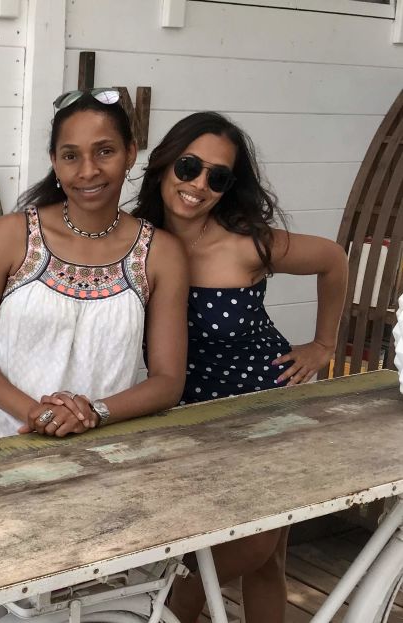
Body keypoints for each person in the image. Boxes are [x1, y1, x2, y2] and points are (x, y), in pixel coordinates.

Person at [133, 111, 348, 622]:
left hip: (265, 408)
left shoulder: (247, 242)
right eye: (188, 166)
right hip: (182, 416)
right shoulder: (134, 241)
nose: (198, 184)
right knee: (237, 551)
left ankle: (170, 608)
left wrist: (322, 344)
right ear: (165, 165)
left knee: (257, 552)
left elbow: (334, 259)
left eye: (218, 176)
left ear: (229, 187)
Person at [0, 88, 188, 454]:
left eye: (105, 151)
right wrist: (38, 414)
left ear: (130, 152)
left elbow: (168, 381)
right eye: (71, 155)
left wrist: (94, 414)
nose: (88, 170)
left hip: (95, 444)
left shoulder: (160, 254)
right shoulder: (11, 235)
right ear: (54, 160)